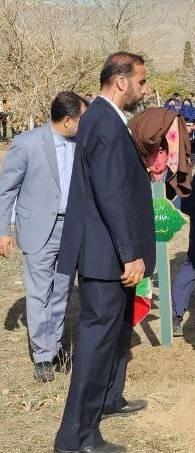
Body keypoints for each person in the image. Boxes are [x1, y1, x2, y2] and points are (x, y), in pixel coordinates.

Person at [54, 52, 154, 453]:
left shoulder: (103, 119)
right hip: (107, 256)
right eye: (142, 81)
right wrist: (129, 252)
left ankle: (109, 398)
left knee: (114, 336)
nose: (144, 89)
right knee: (96, 344)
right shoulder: (105, 124)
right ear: (121, 81)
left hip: (110, 251)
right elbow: (111, 194)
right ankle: (75, 438)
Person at [0, 92, 88, 382]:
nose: (85, 124)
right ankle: (42, 355)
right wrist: (3, 231)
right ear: (67, 120)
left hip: (71, 228)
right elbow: (7, 189)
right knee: (39, 293)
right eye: (81, 119)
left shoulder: (80, 144)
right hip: (38, 227)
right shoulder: (27, 143)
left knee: (62, 289)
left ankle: (56, 345)